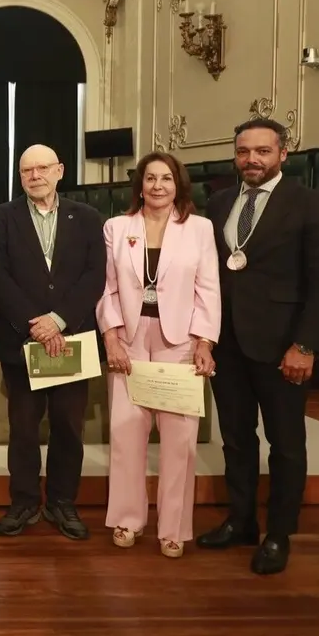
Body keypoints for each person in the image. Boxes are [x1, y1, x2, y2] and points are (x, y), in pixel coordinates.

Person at [197, 118, 319, 575]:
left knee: (286, 445)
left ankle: (279, 534)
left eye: (262, 151)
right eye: (244, 151)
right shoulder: (218, 203)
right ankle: (241, 522)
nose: (252, 159)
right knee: (237, 440)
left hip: (283, 346)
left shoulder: (311, 205)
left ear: (283, 154)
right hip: (229, 346)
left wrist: (305, 345)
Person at [96, 151, 220, 559]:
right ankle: (127, 521)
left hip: (180, 342)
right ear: (140, 185)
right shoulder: (117, 227)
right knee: (126, 435)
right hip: (130, 339)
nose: (158, 186)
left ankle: (173, 528)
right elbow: (107, 288)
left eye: (166, 178)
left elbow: (208, 290)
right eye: (150, 178)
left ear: (178, 184)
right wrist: (111, 338)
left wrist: (204, 342)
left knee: (179, 441)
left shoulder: (199, 229)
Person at [0, 144, 105, 540]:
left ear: (60, 170)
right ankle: (23, 502)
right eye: (26, 171)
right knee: (22, 428)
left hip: (72, 339)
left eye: (42, 169)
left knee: (69, 427)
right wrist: (35, 325)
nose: (34, 176)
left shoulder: (87, 217)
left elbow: (94, 276)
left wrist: (58, 321)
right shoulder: (1, 218)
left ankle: (61, 502)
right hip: (23, 342)